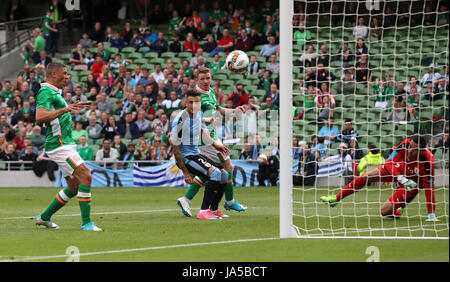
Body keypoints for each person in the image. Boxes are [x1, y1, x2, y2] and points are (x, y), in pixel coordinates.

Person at [34, 63, 101, 231]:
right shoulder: (45, 91)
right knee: (86, 175)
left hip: (65, 144)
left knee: (74, 187)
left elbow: (56, 113)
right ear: (54, 74)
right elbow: (40, 117)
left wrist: (70, 107)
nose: (67, 76)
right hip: (59, 145)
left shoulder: (55, 92)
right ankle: (86, 223)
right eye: (64, 73)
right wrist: (65, 109)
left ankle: (44, 217)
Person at [176, 67, 247, 217]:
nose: (206, 81)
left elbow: (219, 109)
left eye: (208, 78)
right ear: (197, 80)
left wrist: (234, 110)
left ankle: (187, 199)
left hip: (213, 137)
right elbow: (189, 115)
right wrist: (206, 120)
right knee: (226, 167)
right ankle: (228, 201)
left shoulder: (211, 92)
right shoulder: (196, 97)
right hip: (203, 140)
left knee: (211, 172)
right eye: (202, 79)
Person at [320, 135, 438, 222]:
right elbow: (388, 163)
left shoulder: (428, 162)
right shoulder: (406, 144)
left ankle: (399, 208)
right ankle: (336, 198)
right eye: (411, 146)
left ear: (422, 151)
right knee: (365, 177)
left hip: (412, 184)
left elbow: (429, 188)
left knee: (384, 211)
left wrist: (431, 213)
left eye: (414, 149)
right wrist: (400, 177)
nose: (410, 150)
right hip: (399, 171)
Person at [171, 89, 230, 219]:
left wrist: (216, 145)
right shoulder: (180, 120)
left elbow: (203, 131)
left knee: (224, 174)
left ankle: (214, 210)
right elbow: (175, 148)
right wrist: (186, 172)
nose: (194, 105)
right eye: (191, 102)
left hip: (196, 154)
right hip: (186, 157)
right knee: (215, 173)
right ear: (186, 103)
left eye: (197, 102)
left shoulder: (198, 114)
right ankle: (203, 212)